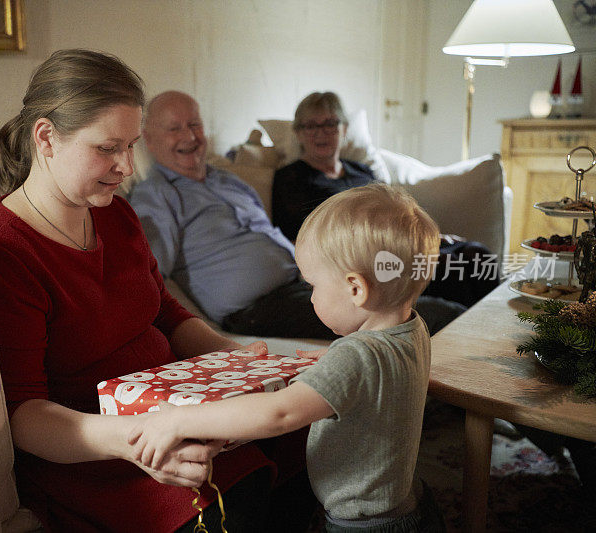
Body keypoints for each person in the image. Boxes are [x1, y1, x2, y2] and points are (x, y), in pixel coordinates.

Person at [0, 49, 315, 533]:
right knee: (237, 496)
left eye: (132, 145)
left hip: (176, 410)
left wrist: (236, 359)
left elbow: (165, 312)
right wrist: (138, 438)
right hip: (99, 449)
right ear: (46, 138)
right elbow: (25, 415)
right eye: (108, 148)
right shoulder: (4, 249)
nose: (127, 167)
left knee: (315, 431)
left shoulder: (115, 213)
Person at [129, 183, 447, 533]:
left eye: (313, 286)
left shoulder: (356, 358)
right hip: (409, 504)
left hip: (364, 524)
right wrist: (333, 361)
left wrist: (183, 420)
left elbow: (278, 413)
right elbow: (382, 370)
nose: (311, 297)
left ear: (356, 289)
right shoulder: (412, 329)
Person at [129, 90, 464, 338]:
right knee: (429, 317)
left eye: (195, 125)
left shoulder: (228, 179)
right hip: (259, 309)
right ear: (149, 140)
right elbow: (153, 276)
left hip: (310, 282)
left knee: (428, 294)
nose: (189, 136)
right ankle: (481, 409)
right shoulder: (155, 196)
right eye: (174, 129)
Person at [273, 91, 498, 308]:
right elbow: (299, 236)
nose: (321, 133)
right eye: (311, 125)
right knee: (448, 268)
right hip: (362, 255)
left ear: (344, 129)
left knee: (477, 254)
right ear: (299, 133)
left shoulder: (362, 171)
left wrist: (431, 237)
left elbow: (393, 213)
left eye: (330, 123)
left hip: (398, 242)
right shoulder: (291, 178)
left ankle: (494, 331)